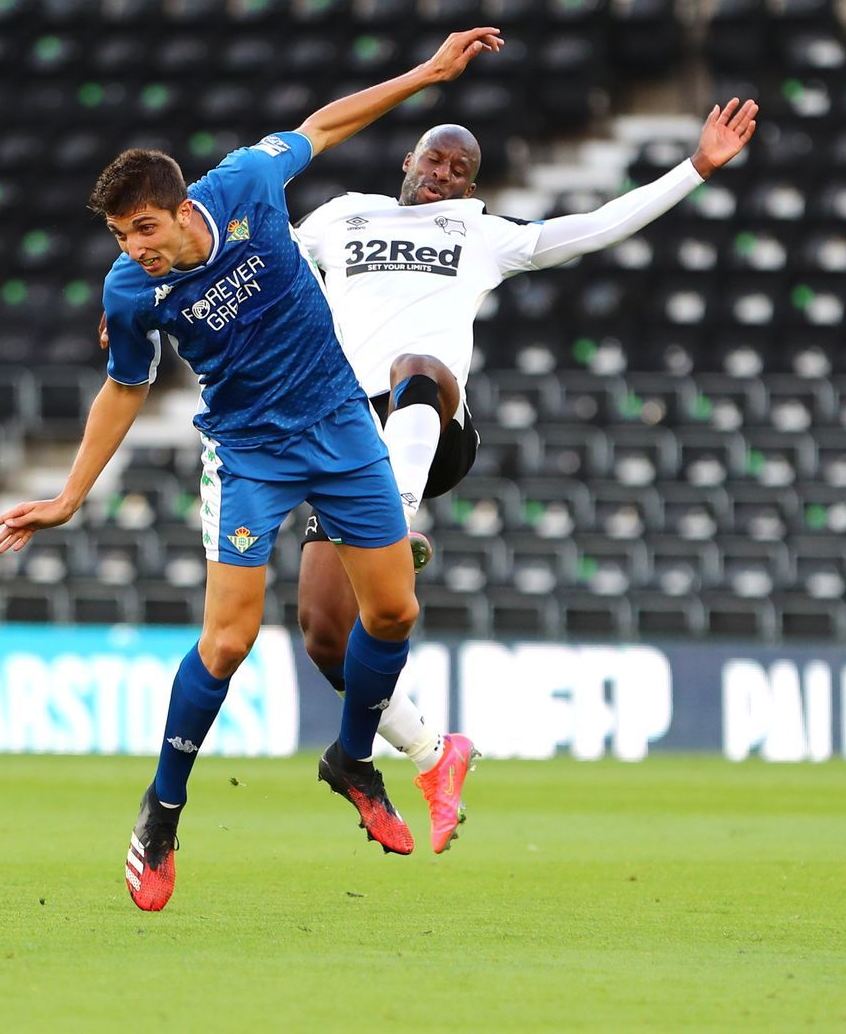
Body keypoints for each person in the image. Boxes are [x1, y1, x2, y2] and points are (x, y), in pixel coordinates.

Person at [0, 27, 506, 912]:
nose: (132, 247)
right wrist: (71, 495)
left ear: (182, 207)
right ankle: (162, 813)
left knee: (393, 611)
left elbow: (325, 125)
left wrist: (428, 72)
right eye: (118, 234)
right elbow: (124, 390)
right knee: (228, 642)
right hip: (248, 452)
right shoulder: (130, 290)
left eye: (143, 229)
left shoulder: (245, 185)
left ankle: (354, 761)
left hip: (340, 424)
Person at [289, 100, 760, 854]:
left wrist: (695, 168)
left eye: (461, 169)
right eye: (435, 159)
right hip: (347, 437)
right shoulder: (341, 217)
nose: (444, 174)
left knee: (418, 366)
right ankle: (431, 754)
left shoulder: (480, 233)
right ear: (407, 162)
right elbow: (246, 256)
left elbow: (597, 226)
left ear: (472, 187)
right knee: (324, 632)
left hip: (429, 427)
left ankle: (395, 524)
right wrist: (148, 299)